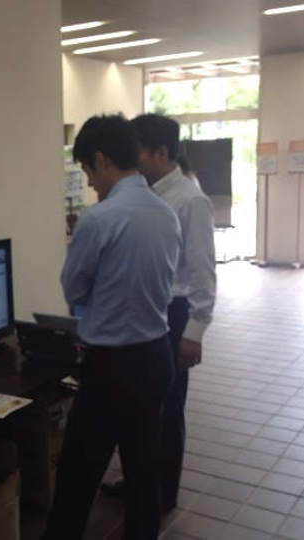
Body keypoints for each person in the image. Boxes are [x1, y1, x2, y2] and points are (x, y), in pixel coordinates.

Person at [43, 114, 181, 540]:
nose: (89, 182)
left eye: (87, 170)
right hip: (156, 356)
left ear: (102, 160)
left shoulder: (99, 219)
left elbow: (74, 288)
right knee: (143, 468)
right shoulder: (166, 213)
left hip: (111, 367)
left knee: (77, 474)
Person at [100, 114, 217, 516]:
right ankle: (138, 480)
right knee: (139, 404)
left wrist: (194, 331)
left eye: (138, 152)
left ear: (162, 153)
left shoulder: (189, 200)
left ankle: (163, 491)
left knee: (167, 406)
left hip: (173, 313)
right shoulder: (140, 195)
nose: (130, 160)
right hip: (139, 311)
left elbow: (202, 272)